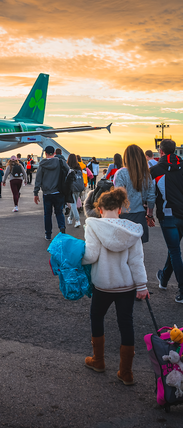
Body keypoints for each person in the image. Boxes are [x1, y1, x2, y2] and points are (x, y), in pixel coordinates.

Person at [82, 187, 149, 386]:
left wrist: (78, 258)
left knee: (97, 317)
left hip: (103, 284)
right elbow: (137, 261)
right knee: (126, 323)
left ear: (100, 209)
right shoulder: (132, 229)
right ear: (120, 209)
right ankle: (126, 372)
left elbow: (91, 256)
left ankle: (99, 360)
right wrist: (142, 286)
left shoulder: (93, 226)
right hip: (126, 286)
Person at [150, 139, 183, 303]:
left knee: (175, 250)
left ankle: (182, 290)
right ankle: (163, 278)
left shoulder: (155, 169)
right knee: (174, 249)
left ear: (161, 151)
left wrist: (149, 213)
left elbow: (151, 195)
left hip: (168, 215)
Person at [113, 144, 155, 244]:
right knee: (138, 252)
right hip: (139, 215)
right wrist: (149, 215)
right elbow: (151, 197)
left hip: (123, 216)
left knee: (123, 252)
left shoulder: (121, 173)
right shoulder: (146, 174)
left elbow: (118, 197)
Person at [34, 145, 68, 240]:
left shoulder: (42, 164)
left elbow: (38, 179)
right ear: (54, 153)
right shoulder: (61, 162)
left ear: (45, 153)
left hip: (47, 193)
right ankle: (62, 228)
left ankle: (48, 234)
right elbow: (69, 172)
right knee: (59, 212)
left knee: (47, 214)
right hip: (59, 192)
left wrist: (35, 193)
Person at [66, 154, 85, 228]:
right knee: (74, 203)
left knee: (73, 204)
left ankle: (77, 220)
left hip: (71, 188)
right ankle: (70, 218)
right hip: (79, 188)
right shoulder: (78, 168)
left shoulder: (68, 167)